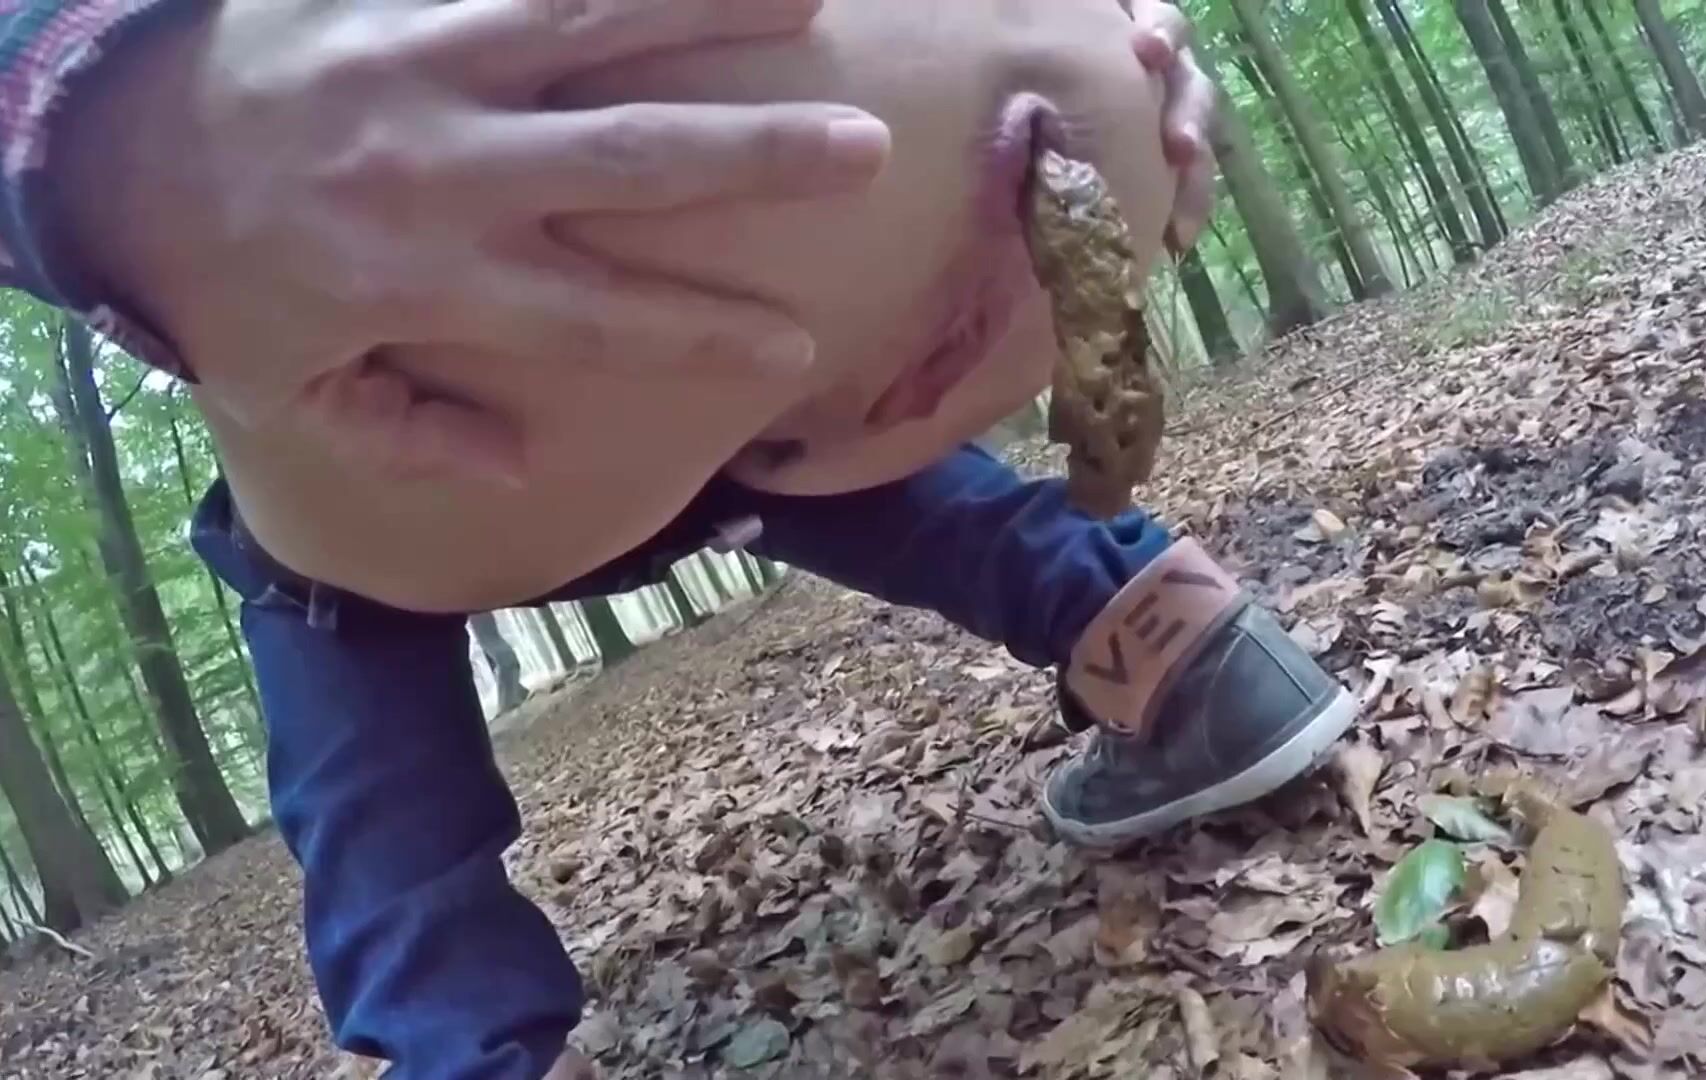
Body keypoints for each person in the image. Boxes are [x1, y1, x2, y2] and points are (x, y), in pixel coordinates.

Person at [18, 1, 1359, 1077]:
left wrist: (125, 140)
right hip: (886, 249)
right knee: (883, 480)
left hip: (431, 433)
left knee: (363, 746)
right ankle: (1188, 652)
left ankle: (470, 1051)